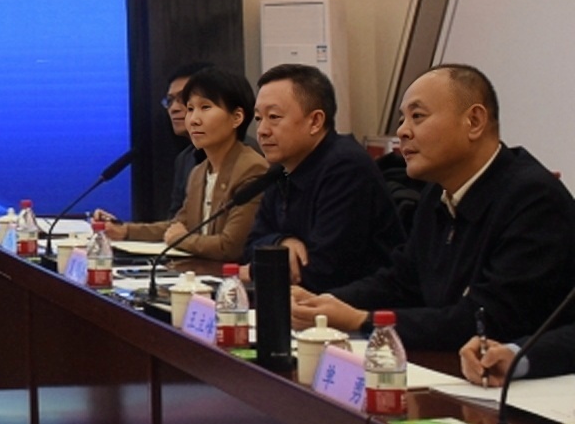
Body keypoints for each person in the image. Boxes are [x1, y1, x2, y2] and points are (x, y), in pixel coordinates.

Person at [296, 66, 575, 352]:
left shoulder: (534, 199)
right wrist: (323, 303)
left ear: (474, 121)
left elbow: (490, 320)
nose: (402, 131)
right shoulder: (436, 193)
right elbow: (402, 281)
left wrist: (362, 320)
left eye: (418, 116)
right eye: (402, 119)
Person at [245, 63, 401, 291]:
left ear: (315, 121)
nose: (262, 130)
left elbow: (323, 271)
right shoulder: (282, 169)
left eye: (274, 117)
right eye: (259, 118)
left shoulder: (346, 167)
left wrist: (254, 269)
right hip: (303, 300)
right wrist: (281, 242)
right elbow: (251, 246)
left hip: (357, 305)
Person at [98, 67, 268, 261]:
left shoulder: (252, 168)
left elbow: (229, 247)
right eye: (191, 109)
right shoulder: (198, 172)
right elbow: (177, 226)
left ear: (237, 117)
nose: (193, 120)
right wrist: (125, 230)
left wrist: (181, 239)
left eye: (205, 107)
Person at [163, 62, 215, 217]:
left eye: (183, 98)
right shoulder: (185, 159)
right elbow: (175, 220)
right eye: (170, 101)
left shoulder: (245, 155)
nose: (174, 108)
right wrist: (123, 228)